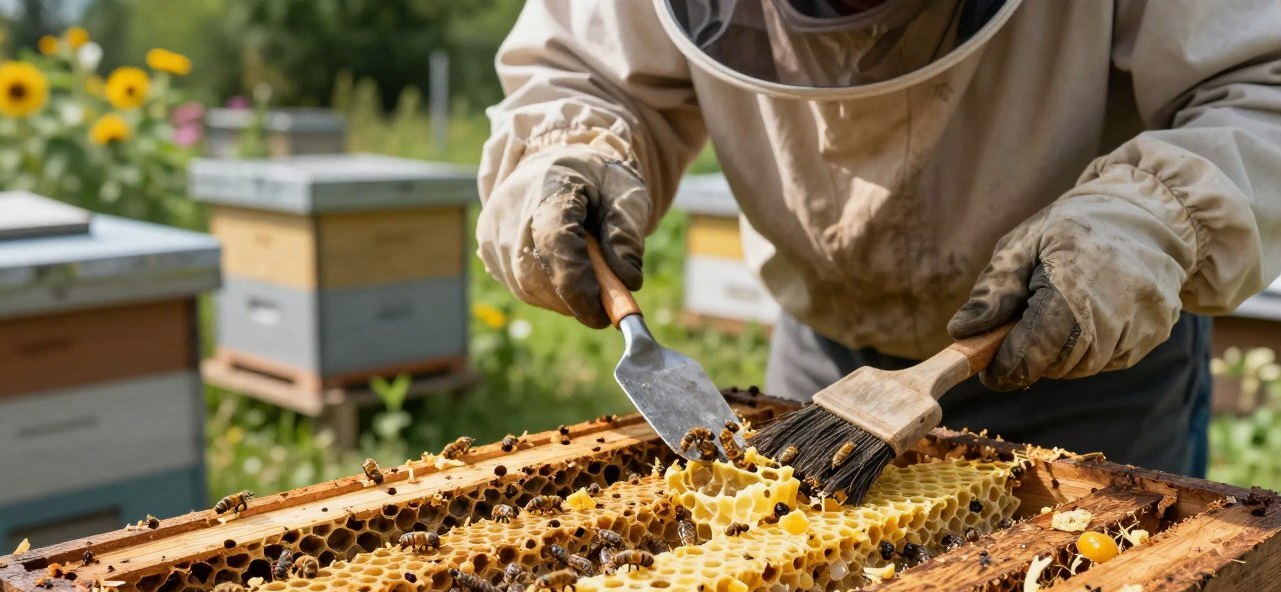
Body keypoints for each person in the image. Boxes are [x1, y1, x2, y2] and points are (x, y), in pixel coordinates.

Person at [476, 0, 1281, 477]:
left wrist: (1150, 220)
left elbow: (1259, 83)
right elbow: (585, 68)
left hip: (1092, 368)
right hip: (823, 374)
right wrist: (566, 151)